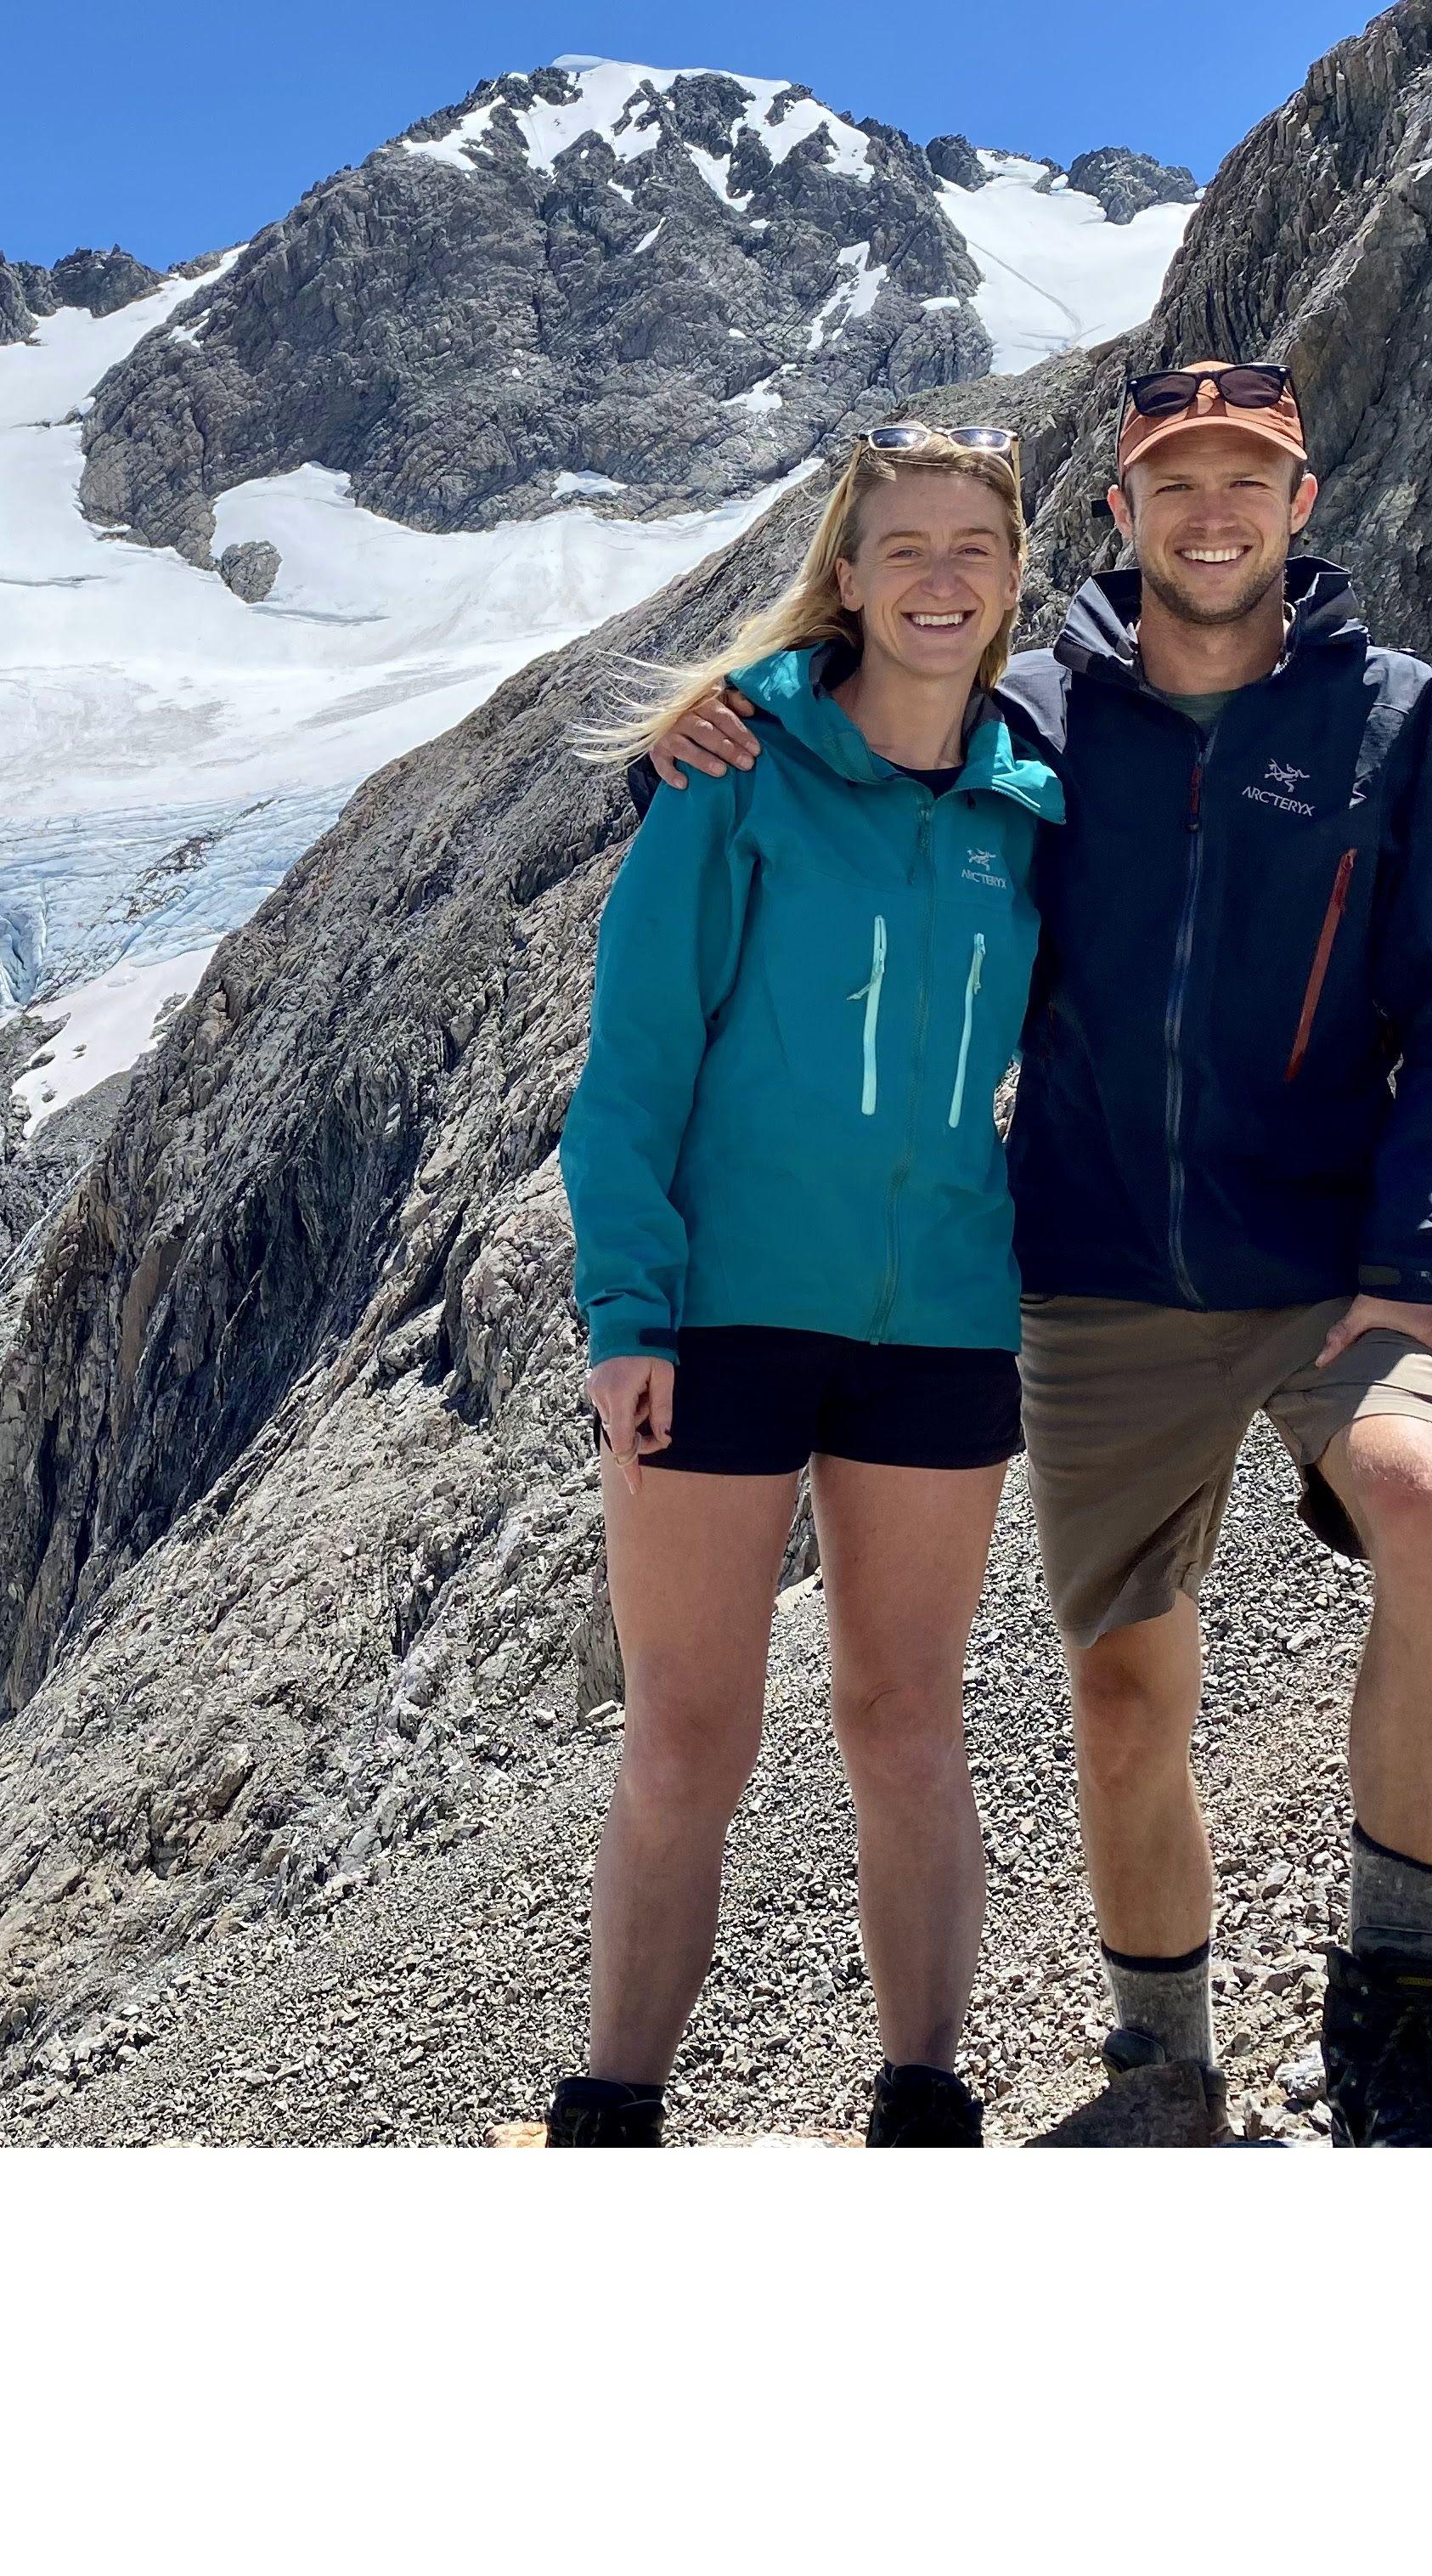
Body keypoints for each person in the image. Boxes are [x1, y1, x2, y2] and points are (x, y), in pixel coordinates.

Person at [642, 361, 1432, 2145]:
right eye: (1174, 480)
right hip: (1102, 1270)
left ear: (1304, 501)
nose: (1212, 511)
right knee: (1125, 1687)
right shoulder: (1036, 717)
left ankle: (1401, 1991)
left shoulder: (1394, 715)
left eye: (1246, 478)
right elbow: (868, 726)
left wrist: (1423, 1255)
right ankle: (1161, 2061)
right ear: (1120, 514)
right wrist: (707, 721)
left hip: (1340, 1261)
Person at [553, 427, 1061, 2148]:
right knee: (691, 1730)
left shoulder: (1032, 800)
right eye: (900, 547)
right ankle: (611, 2113)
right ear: (846, 573)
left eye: (970, 549)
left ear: (1011, 578)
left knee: (907, 1716)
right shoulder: (738, 772)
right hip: (725, 1319)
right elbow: (633, 1062)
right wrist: (628, 1309)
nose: (937, 578)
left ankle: (925, 2107)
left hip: (940, 1322)